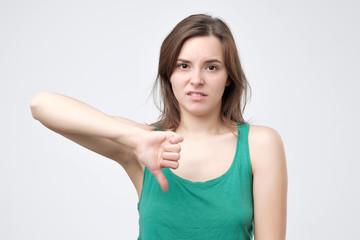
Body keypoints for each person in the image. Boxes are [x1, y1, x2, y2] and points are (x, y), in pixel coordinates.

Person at [30, 14, 287, 240]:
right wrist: (135, 139)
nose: (196, 80)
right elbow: (41, 105)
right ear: (169, 75)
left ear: (229, 76)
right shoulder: (143, 143)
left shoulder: (259, 145)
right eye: (183, 66)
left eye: (211, 67)